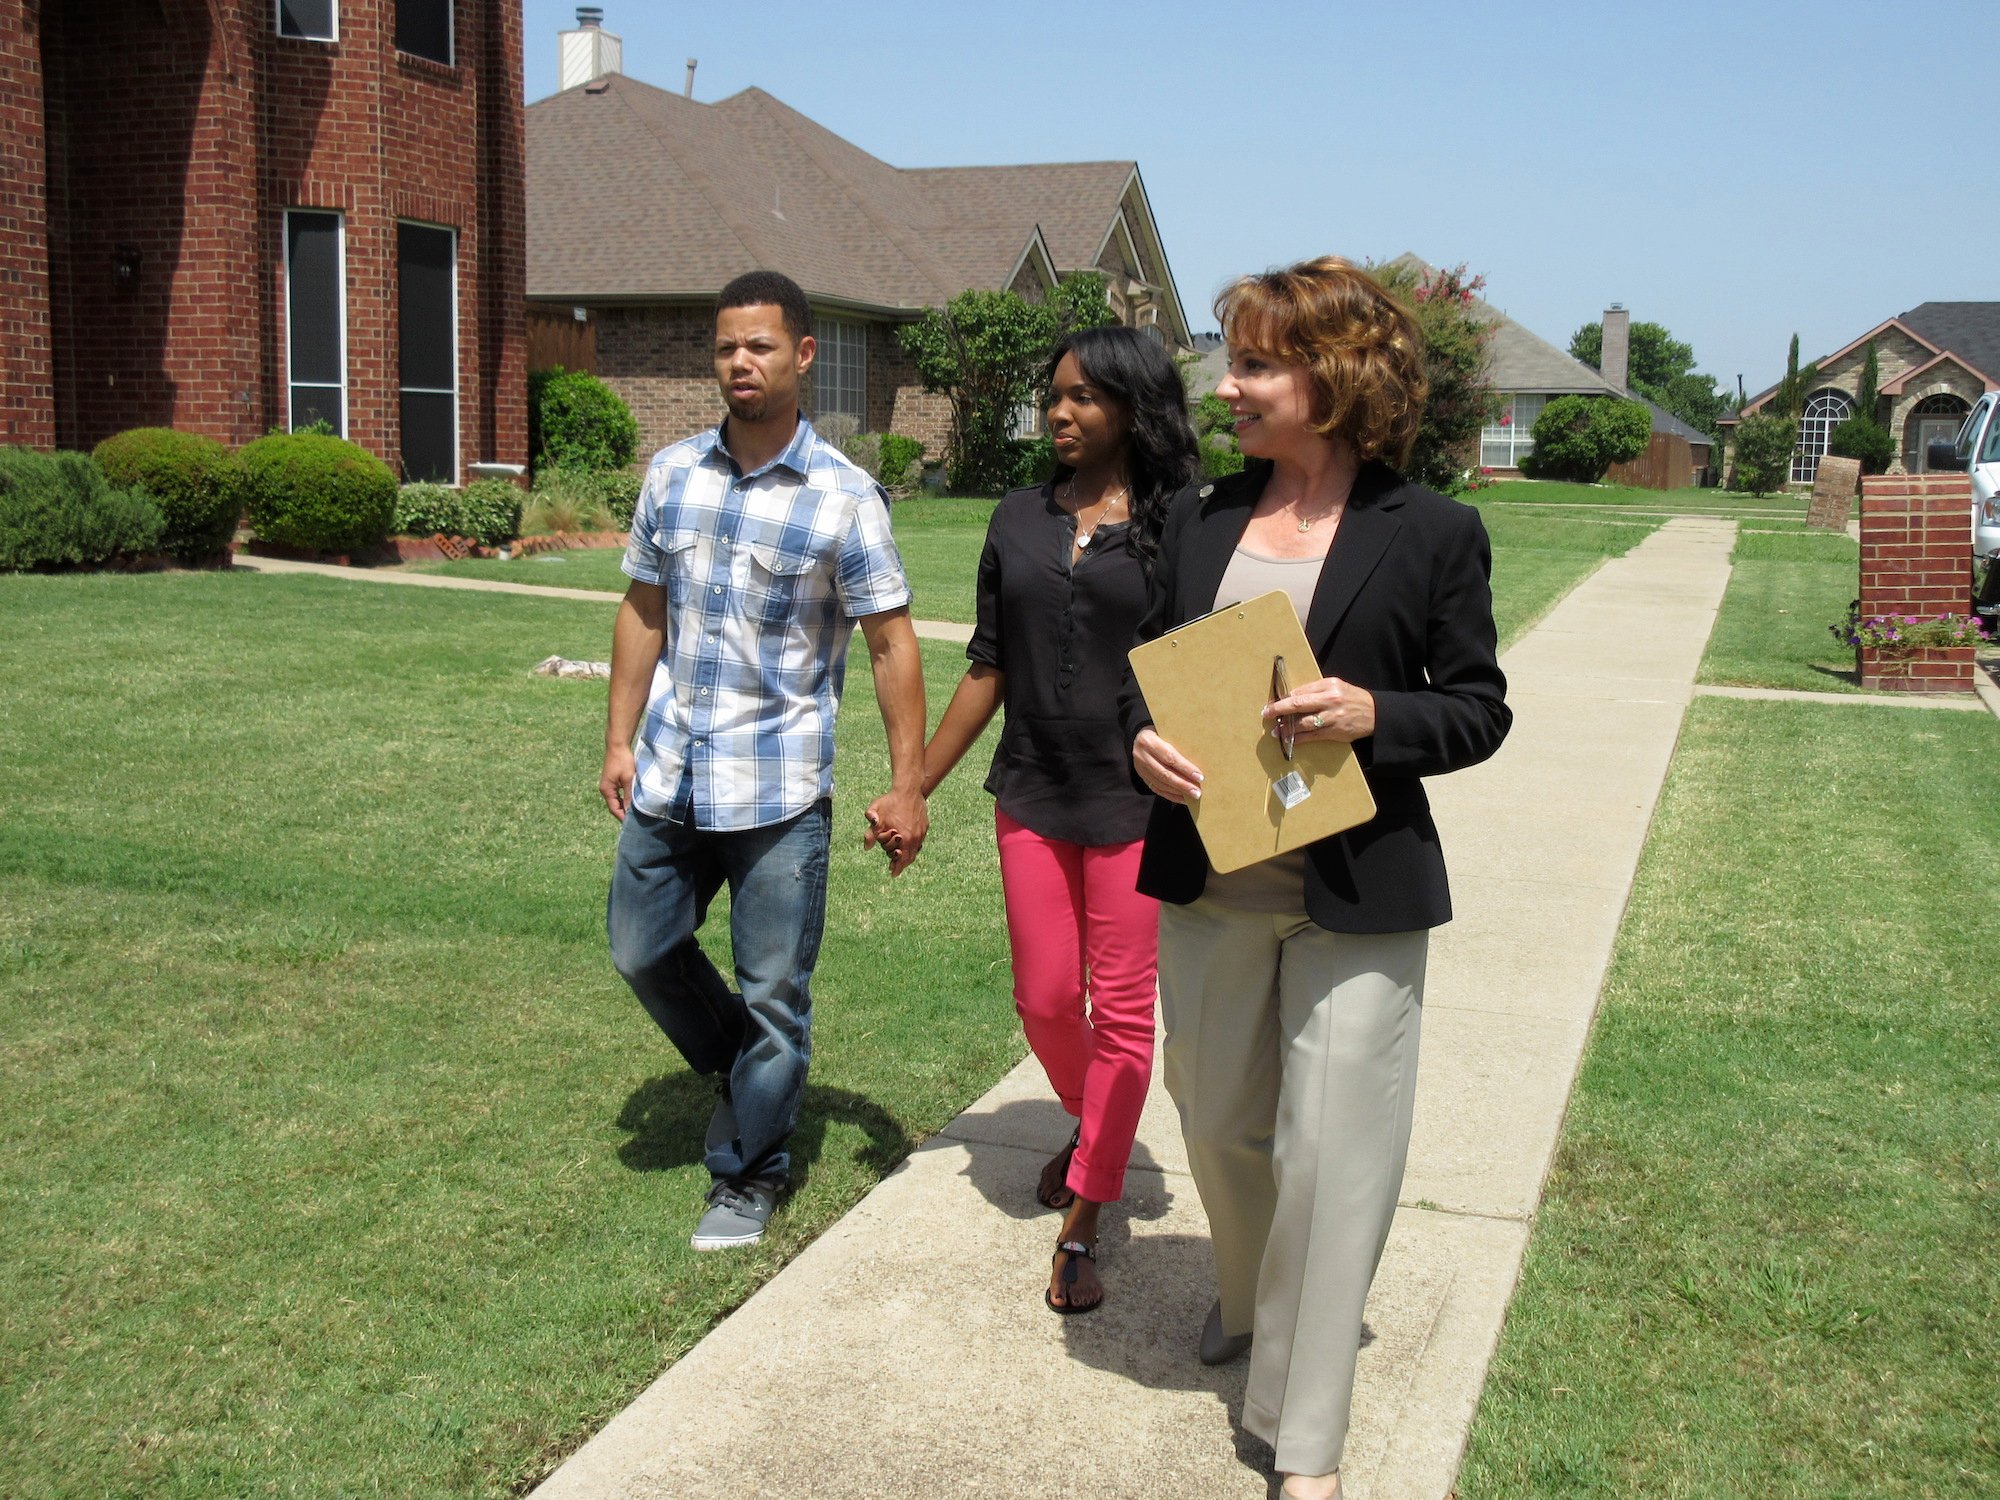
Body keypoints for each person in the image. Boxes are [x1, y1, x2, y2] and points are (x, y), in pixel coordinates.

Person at [1120, 257, 1511, 1498]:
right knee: (1218, 1125)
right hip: (1210, 879)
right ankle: (1248, 1300)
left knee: (1336, 1157)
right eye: (1227, 360)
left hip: (1356, 893)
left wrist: (1373, 715)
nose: (1222, 384)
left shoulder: (1434, 530)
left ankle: (1304, 1442)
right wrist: (1142, 747)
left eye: (1251, 364)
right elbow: (1152, 676)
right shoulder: (1196, 516)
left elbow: (1477, 711)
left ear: (1331, 377)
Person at [602, 269, 928, 1253]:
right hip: (672, 772)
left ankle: (749, 1170)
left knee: (774, 995)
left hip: (779, 789)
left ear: (802, 356)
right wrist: (617, 736)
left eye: (760, 346)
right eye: (726, 347)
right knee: (640, 948)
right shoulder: (671, 475)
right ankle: (745, 1070)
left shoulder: (842, 499)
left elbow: (890, 643)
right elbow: (642, 609)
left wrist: (906, 783)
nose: (740, 363)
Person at [902, 325, 1198, 1314]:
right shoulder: (1016, 518)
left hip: (1133, 805)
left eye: (1081, 397)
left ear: (1131, 405)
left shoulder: (1180, 524)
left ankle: (1084, 1213)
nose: (1058, 412)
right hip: (1030, 788)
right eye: (1053, 394)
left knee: (1119, 1013)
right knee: (1040, 998)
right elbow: (986, 666)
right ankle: (1094, 1120)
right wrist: (915, 788)